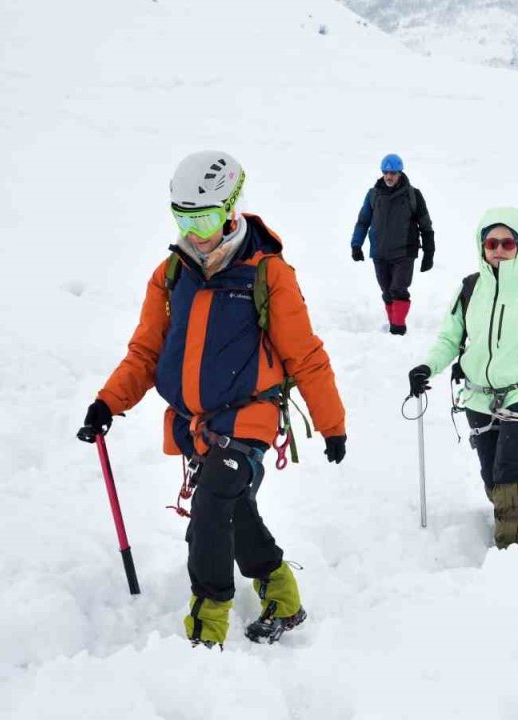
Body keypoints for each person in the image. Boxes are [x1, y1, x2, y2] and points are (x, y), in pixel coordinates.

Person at [77, 151, 347, 648]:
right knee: (233, 510)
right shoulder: (171, 275)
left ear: (229, 208)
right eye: (183, 217)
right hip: (198, 424)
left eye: (202, 216)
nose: (194, 230)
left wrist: (332, 425)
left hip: (252, 416)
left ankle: (207, 623)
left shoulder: (267, 274)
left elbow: (305, 355)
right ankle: (283, 598)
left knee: (211, 501)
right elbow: (145, 352)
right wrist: (107, 403)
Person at [408, 208, 518, 549]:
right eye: (491, 242)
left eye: (507, 242)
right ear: (482, 246)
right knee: (491, 473)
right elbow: (449, 339)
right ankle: (517, 520)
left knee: (509, 464)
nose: (499, 249)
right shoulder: (470, 288)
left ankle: (513, 546)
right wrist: (427, 367)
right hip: (478, 395)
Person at [350, 153, 436, 335]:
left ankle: (398, 329)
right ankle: (392, 327)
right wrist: (356, 245)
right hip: (379, 253)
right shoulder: (373, 195)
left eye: (393, 173)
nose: (389, 176)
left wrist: (429, 252)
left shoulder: (413, 195)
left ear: (400, 173)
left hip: (404, 253)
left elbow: (426, 225)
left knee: (398, 289)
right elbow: (363, 221)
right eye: (386, 172)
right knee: (387, 291)